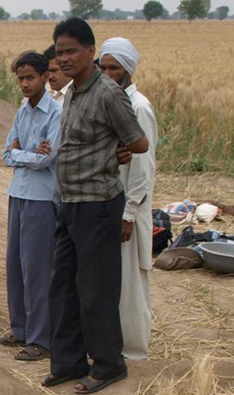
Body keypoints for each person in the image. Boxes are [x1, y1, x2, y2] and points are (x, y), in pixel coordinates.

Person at [45, 18, 149, 395]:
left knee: (96, 289)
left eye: (72, 50)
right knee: (63, 286)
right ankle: (69, 361)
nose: (66, 58)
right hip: (71, 203)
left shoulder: (108, 93)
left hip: (99, 205)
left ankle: (108, 364)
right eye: (60, 52)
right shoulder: (72, 92)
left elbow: (138, 143)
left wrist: (118, 150)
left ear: (91, 52)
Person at [0, 52, 62, 362]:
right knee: (15, 265)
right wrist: (27, 154)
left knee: (37, 268)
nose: (24, 84)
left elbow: (48, 159)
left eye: (30, 77)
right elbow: (5, 153)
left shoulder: (56, 114)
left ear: (44, 78)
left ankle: (40, 339)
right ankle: (19, 328)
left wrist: (21, 154)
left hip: (41, 197)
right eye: (20, 78)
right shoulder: (22, 112)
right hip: (19, 193)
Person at [100, 37, 157, 361]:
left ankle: (134, 350)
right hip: (113, 202)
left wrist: (130, 213)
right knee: (114, 280)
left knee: (132, 281)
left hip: (129, 208)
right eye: (103, 67)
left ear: (128, 70)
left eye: (114, 68)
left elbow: (143, 168)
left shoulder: (138, 107)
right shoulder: (114, 104)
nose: (108, 74)